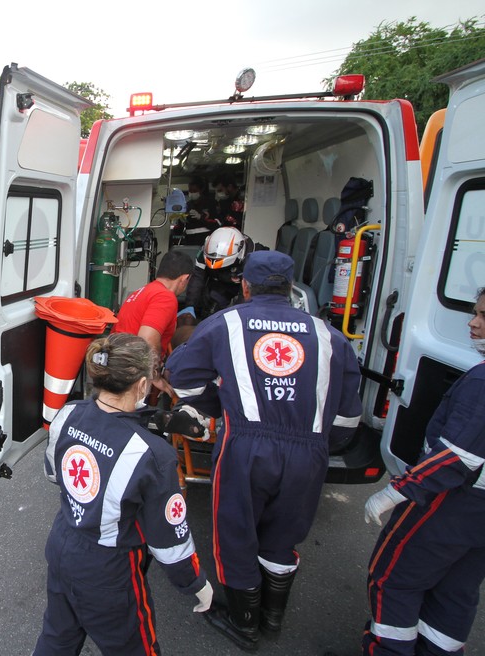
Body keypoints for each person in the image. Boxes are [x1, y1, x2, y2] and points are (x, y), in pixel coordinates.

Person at [168, 250, 363, 650]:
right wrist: (318, 444)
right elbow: (347, 418)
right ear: (291, 287)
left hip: (246, 445)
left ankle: (244, 624)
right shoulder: (328, 335)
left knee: (237, 532)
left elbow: (183, 378)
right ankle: (272, 618)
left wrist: (217, 407)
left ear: (244, 285)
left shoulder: (225, 323)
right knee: (283, 533)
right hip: (309, 451)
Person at [32, 332, 213, 655]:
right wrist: (195, 583)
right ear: (142, 385)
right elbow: (169, 541)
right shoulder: (155, 456)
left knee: (57, 637)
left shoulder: (67, 414)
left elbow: (53, 473)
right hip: (109, 571)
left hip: (61, 545)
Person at [360, 287, 485, 656]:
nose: (473, 323)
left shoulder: (480, 382)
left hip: (451, 502)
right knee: (455, 592)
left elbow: (457, 457)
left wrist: (397, 490)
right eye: (475, 313)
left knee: (392, 579)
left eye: (483, 316)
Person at [112, 249, 194, 394]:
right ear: (184, 278)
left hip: (116, 365)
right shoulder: (165, 297)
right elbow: (147, 338)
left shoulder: (142, 291)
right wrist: (155, 377)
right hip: (130, 374)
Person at [181, 226, 256, 322]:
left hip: (247, 284)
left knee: (242, 314)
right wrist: (189, 305)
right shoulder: (204, 252)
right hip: (220, 282)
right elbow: (197, 279)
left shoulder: (254, 258)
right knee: (210, 310)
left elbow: (248, 294)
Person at [176, 176, 219, 246]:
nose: (192, 193)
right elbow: (178, 231)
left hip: (206, 241)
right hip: (189, 242)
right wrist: (181, 221)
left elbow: (217, 225)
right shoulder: (187, 205)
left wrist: (200, 218)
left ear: (201, 190)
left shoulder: (211, 204)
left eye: (194, 191)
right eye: (190, 191)